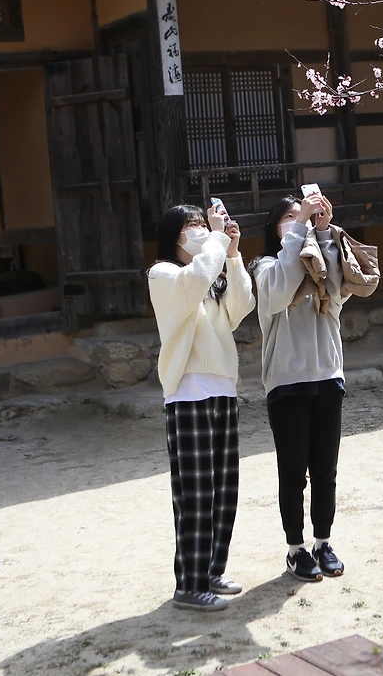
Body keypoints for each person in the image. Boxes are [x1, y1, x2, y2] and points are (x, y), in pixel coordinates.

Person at [251, 190, 377, 582]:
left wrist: (323, 232)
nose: (300, 219)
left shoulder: (320, 262)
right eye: (290, 217)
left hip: (328, 377)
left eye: (302, 213)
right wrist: (299, 230)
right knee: (293, 475)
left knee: (325, 471)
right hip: (287, 383)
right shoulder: (265, 267)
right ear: (276, 228)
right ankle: (296, 549)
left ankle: (323, 543)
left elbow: (338, 289)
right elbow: (279, 290)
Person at [148, 201, 256, 611]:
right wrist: (216, 238)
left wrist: (233, 253)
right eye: (191, 225)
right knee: (195, 493)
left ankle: (211, 571)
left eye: (202, 223)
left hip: (223, 386)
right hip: (188, 392)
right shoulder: (164, 274)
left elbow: (241, 306)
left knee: (223, 490)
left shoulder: (210, 273)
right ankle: (189, 585)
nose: (200, 230)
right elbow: (193, 281)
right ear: (173, 235)